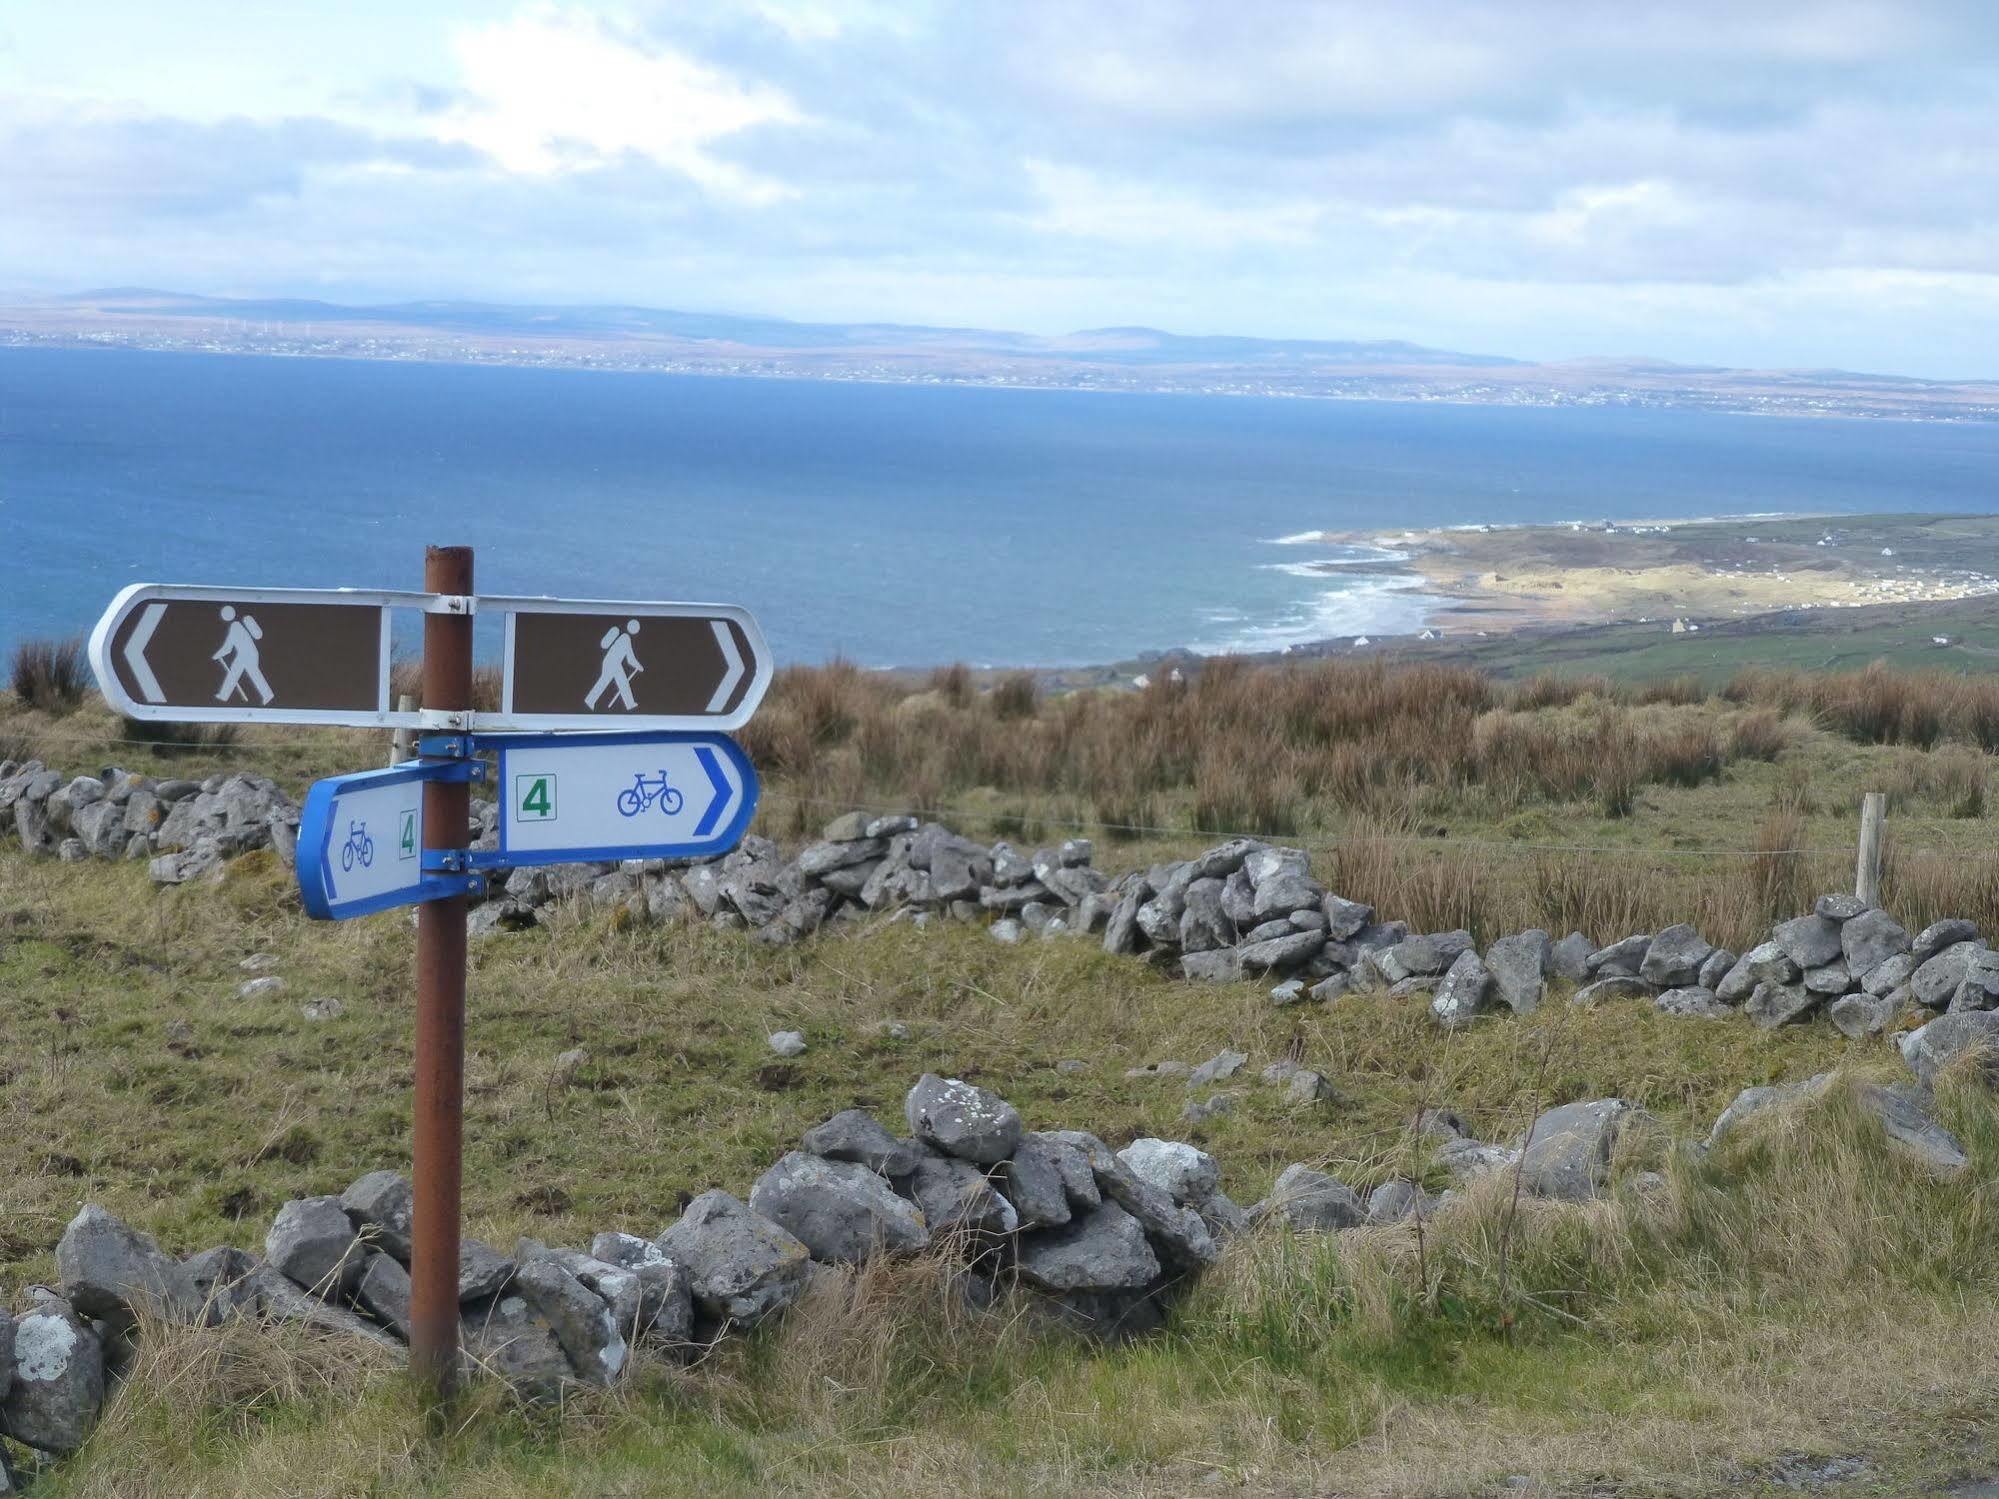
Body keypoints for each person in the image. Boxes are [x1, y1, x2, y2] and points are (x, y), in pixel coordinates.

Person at [212, 605, 274, 705]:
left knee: (253, 674)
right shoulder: (237, 625)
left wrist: (216, 655)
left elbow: (228, 647)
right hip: (245, 654)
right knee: (235, 673)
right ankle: (224, 695)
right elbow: (229, 647)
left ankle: (268, 695)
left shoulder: (235, 626)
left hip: (247, 654)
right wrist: (218, 654)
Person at [585, 619, 644, 710]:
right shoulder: (625, 638)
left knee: (622, 682)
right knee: (605, 682)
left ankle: (629, 704)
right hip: (612, 663)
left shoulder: (623, 637)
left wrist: (638, 666)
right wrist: (639, 666)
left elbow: (629, 658)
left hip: (614, 663)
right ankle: (590, 700)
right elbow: (630, 659)